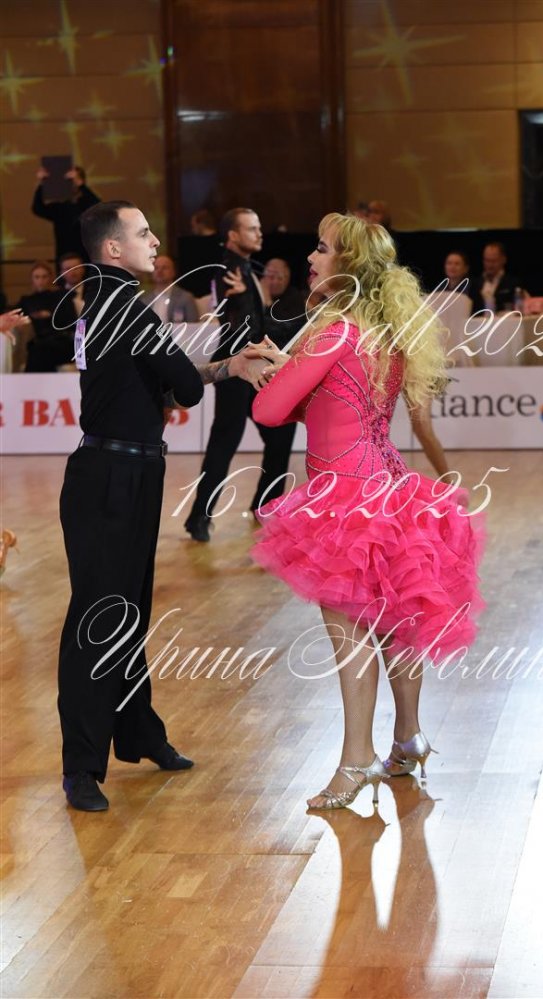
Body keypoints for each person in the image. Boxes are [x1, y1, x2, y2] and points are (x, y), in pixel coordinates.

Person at [248, 213, 484, 810]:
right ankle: (408, 738)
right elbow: (334, 410)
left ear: (348, 265)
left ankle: (357, 758)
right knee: (397, 622)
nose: (311, 258)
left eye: (322, 249)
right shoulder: (385, 333)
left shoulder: (333, 333)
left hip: (345, 499)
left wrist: (277, 374)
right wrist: (291, 377)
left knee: (351, 633)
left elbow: (269, 413)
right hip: (392, 489)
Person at [58, 200, 268, 812]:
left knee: (127, 609)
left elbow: (164, 383)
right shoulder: (124, 305)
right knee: (98, 618)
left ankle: (139, 734)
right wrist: (220, 370)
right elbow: (183, 387)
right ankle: (81, 766)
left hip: (125, 471)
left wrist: (228, 366)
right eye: (144, 233)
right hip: (111, 477)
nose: (155, 242)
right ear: (113, 249)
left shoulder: (109, 303)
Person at [183, 208, 296, 541]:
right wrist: (241, 298)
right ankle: (199, 518)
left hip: (251, 366)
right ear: (233, 235)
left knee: (278, 434)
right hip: (236, 369)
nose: (259, 233)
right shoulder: (230, 270)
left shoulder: (244, 269)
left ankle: (264, 505)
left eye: (259, 227)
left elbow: (256, 323)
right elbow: (241, 325)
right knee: (225, 443)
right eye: (251, 228)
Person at [31, 165, 100, 261]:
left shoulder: (87, 203)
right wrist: (42, 184)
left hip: (86, 258)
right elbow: (38, 209)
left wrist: (81, 185)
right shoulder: (61, 207)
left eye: (73, 179)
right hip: (64, 256)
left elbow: (98, 207)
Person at [16, 261, 76, 372]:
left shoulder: (61, 296)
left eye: (44, 277)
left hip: (61, 341)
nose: (41, 281)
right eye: (37, 277)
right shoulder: (26, 301)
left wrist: (51, 315)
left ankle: (32, 381)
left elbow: (72, 322)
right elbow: (17, 318)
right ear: (32, 279)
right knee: (38, 350)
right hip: (38, 342)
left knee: (40, 351)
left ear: (51, 278)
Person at [260, 258, 307, 349]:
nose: (275, 282)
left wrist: (268, 302)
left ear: (287, 279)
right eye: (271, 277)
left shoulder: (294, 298)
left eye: (280, 278)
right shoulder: (254, 292)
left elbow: (282, 332)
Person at [139, 254, 199, 323]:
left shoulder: (186, 297)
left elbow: (194, 326)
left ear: (173, 272)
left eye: (164, 268)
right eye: (156, 268)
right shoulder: (144, 300)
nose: (159, 271)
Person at [470, 242, 521, 313]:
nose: (490, 265)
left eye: (494, 261)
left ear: (503, 260)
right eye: (487, 260)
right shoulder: (474, 283)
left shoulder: (513, 283)